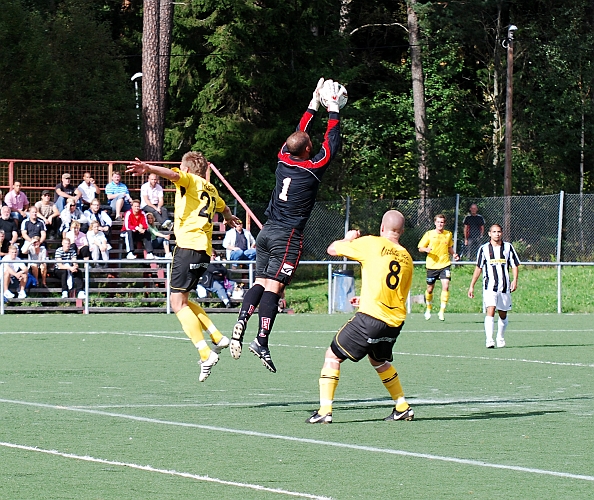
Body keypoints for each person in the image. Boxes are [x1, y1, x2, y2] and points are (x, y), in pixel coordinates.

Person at [230, 78, 344, 372]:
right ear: (307, 150)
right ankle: (261, 340)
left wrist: (313, 104)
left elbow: (300, 132)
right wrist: (333, 108)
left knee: (260, 281)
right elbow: (331, 141)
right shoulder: (312, 167)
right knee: (275, 288)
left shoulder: (283, 157)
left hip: (266, 231)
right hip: (286, 236)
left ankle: (242, 320)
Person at [127, 152, 240, 382]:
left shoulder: (190, 180)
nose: (178, 171)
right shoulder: (210, 188)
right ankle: (217, 337)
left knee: (176, 303)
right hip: (204, 252)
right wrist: (229, 219)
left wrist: (148, 167)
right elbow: (225, 208)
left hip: (188, 247)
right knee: (184, 301)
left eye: (181, 168)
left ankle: (205, 352)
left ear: (187, 170)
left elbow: (171, 174)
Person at [306, 211, 414, 424]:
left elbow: (332, 249)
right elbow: (397, 291)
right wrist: (364, 298)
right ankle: (402, 406)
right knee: (378, 360)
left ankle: (324, 411)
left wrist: (349, 238)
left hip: (371, 318)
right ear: (401, 232)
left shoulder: (372, 243)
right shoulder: (407, 257)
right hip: (394, 321)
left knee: (332, 356)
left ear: (382, 227)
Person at [468, 224, 520, 348]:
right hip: (489, 287)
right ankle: (489, 340)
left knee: (503, 314)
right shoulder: (484, 249)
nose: (497, 234)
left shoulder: (508, 247)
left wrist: (515, 280)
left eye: (499, 232)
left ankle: (500, 337)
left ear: (502, 233)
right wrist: (472, 285)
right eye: (494, 232)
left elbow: (514, 265)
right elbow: (478, 268)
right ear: (489, 234)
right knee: (490, 310)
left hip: (504, 287)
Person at [418, 214, 459, 321]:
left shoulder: (448, 234)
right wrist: (426, 250)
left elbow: (449, 247)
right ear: (435, 223)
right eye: (438, 222)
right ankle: (428, 308)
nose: (440, 224)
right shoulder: (429, 234)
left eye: (442, 222)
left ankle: (441, 311)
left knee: (445, 286)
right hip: (432, 266)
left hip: (445, 264)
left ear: (444, 223)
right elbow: (420, 247)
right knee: (430, 289)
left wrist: (454, 254)